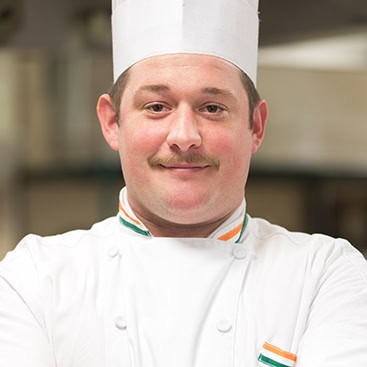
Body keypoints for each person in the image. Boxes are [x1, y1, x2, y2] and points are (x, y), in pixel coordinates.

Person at [1, 0, 367, 366]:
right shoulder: (35, 279)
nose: (184, 136)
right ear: (112, 122)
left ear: (255, 126)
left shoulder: (324, 275)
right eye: (157, 107)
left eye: (212, 108)